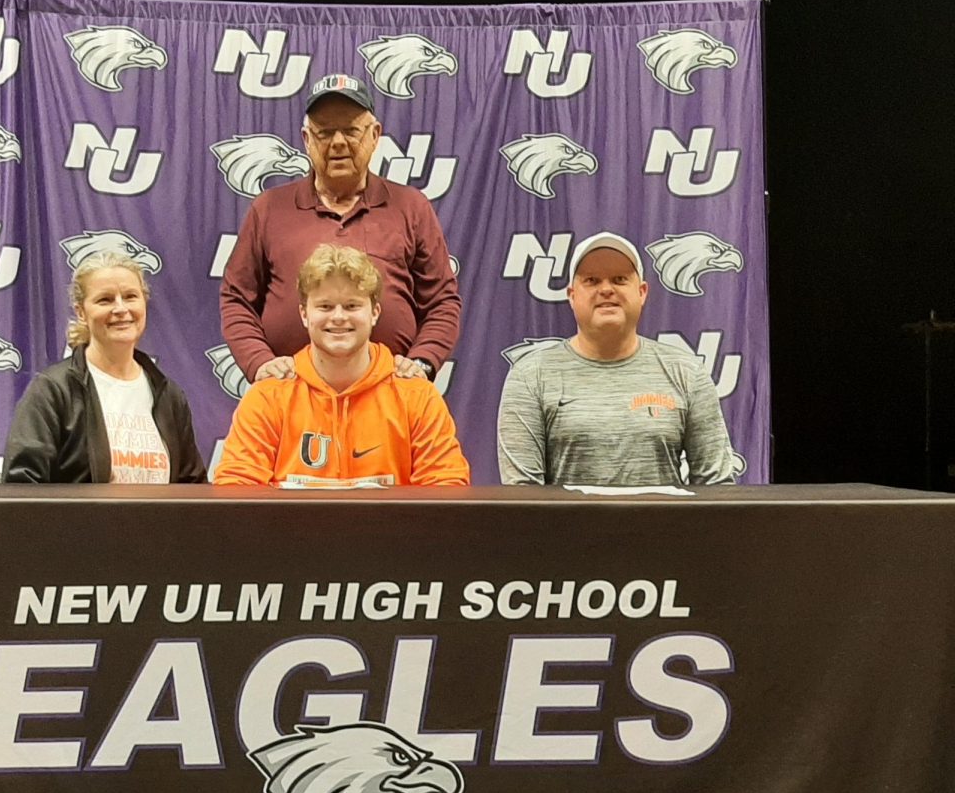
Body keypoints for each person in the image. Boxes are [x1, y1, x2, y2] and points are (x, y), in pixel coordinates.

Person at [220, 72, 461, 385]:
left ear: (375, 136)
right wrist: (259, 362)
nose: (337, 143)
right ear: (306, 140)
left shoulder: (411, 206)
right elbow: (236, 299)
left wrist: (422, 361)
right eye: (324, 132)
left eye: (350, 131)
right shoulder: (268, 209)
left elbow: (442, 301)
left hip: (390, 397)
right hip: (289, 397)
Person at [214, 244, 470, 487]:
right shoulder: (269, 397)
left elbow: (446, 488)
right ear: (304, 314)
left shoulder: (416, 397)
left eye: (352, 306)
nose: (338, 317)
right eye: (325, 306)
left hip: (392, 534)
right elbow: (236, 490)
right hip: (290, 534)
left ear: (375, 313)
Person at [497, 231, 735, 486]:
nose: (606, 289)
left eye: (620, 279)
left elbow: (716, 487)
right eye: (591, 280)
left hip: (663, 528)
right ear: (571, 295)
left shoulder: (687, 372)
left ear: (642, 292)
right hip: (567, 528)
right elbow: (522, 495)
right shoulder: (530, 376)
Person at [3, 251, 206, 483]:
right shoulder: (53, 391)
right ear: (81, 312)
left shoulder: (169, 395)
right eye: (105, 300)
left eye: (130, 296)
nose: (121, 309)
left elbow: (193, 487)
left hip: (157, 521)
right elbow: (22, 489)